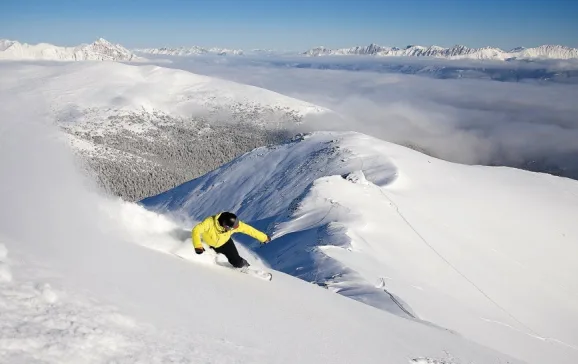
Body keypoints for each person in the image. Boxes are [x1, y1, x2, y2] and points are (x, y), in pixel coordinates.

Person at [191, 211, 270, 269]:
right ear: (225, 225)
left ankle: (247, 268)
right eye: (231, 228)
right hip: (209, 246)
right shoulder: (209, 222)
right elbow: (196, 230)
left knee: (237, 263)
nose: (234, 229)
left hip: (226, 244)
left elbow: (249, 230)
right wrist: (198, 246)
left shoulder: (233, 225)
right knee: (208, 262)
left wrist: (264, 237)